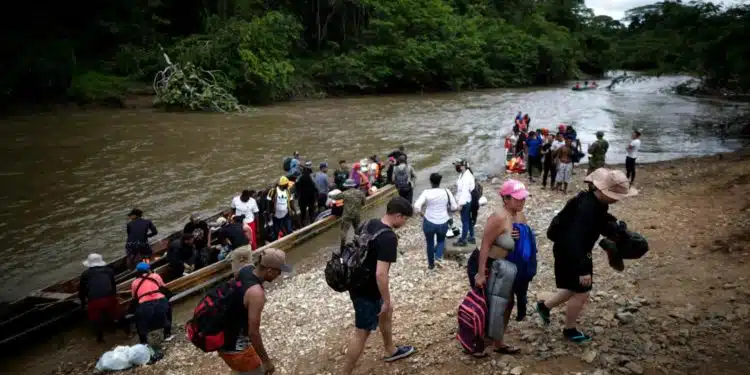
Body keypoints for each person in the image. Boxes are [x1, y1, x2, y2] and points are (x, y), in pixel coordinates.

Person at [536, 169, 637, 343]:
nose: (616, 199)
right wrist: (582, 268)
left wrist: (616, 227)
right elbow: (575, 239)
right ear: (603, 191)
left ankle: (544, 307)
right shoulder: (586, 208)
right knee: (582, 291)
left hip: (570, 249)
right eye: (615, 195)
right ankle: (569, 330)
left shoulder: (594, 201)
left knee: (573, 287)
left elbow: (600, 220)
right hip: (571, 251)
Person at [343, 197, 415, 374]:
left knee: (386, 313)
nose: (405, 222)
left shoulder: (368, 223)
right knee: (362, 332)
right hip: (368, 290)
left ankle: (391, 349)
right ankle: (344, 372)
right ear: (398, 216)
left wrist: (386, 303)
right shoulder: (388, 237)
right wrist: (386, 299)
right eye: (405, 218)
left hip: (356, 281)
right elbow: (381, 274)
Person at [467, 179, 530, 355]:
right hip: (484, 263)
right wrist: (480, 274)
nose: (522, 202)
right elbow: (485, 244)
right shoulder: (498, 217)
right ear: (506, 199)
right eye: (517, 199)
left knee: (508, 303)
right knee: (486, 305)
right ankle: (476, 343)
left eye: (523, 198)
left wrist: (518, 234)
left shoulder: (520, 215)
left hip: (503, 266)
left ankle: (498, 341)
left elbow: (524, 238)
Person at [219, 247, 291, 375]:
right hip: (236, 347)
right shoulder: (256, 294)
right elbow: (253, 333)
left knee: (239, 370)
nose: (279, 275)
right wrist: (266, 361)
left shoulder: (245, 270)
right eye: (279, 272)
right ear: (269, 271)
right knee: (256, 371)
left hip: (222, 337)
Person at [414, 173, 458, 269]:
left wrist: (422, 214)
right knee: (441, 241)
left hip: (429, 221)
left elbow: (416, 206)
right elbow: (454, 207)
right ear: (440, 182)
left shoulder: (426, 192)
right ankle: (438, 257)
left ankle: (431, 265)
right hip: (443, 221)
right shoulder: (447, 191)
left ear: (430, 182)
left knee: (429, 243)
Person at [131, 262, 173, 345]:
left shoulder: (134, 282)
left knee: (139, 320)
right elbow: (163, 287)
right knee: (168, 309)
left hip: (144, 305)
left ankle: (143, 342)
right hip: (160, 301)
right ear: (148, 269)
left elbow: (134, 297)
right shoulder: (155, 276)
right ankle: (167, 334)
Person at [79, 253, 118, 343]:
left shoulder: (85, 274)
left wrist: (83, 303)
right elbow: (113, 286)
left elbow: (82, 291)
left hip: (94, 301)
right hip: (109, 298)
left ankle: (100, 339)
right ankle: (122, 331)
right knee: (116, 313)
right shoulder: (109, 271)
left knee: (96, 319)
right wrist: (114, 296)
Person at [330, 179, 367, 247]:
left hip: (347, 215)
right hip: (357, 215)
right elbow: (364, 203)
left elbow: (335, 197)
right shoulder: (360, 193)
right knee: (357, 229)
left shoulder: (344, 193)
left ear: (346, 186)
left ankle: (342, 247)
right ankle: (357, 244)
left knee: (344, 231)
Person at [453, 159, 476, 246]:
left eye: (458, 165)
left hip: (465, 201)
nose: (456, 167)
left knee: (465, 221)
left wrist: (460, 204)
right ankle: (472, 237)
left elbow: (465, 192)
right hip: (467, 200)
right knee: (468, 220)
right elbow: (460, 191)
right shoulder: (462, 174)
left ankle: (463, 240)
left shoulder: (467, 177)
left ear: (463, 166)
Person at [295, 162, 319, 226]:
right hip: (310, 198)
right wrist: (316, 197)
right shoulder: (311, 177)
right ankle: (312, 223)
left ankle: (303, 224)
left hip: (302, 199)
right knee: (311, 212)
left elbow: (297, 189)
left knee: (303, 213)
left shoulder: (299, 178)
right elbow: (315, 188)